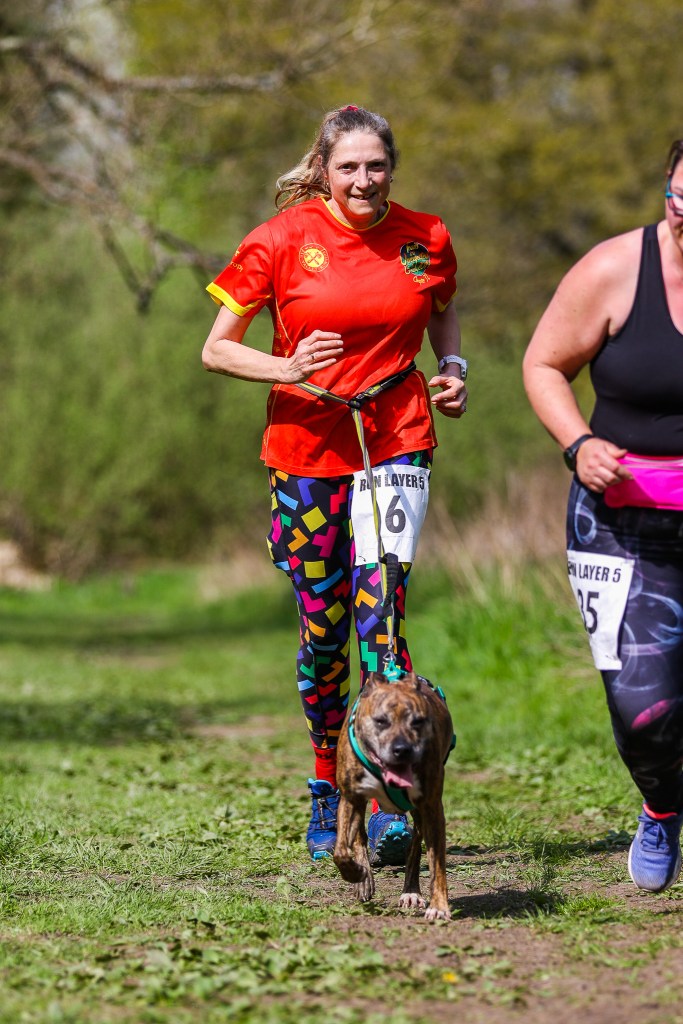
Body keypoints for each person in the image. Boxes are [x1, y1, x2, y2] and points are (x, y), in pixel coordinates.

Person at [202, 105, 467, 865]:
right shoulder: (279, 240)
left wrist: (452, 368)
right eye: (348, 166)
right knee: (324, 631)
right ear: (323, 168)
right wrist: (287, 366)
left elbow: (442, 309)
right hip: (307, 449)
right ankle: (328, 778)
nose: (363, 180)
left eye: (375, 165)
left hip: (395, 439)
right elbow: (217, 349)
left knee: (382, 618)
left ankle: (387, 796)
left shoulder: (426, 236)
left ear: (392, 168)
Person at [523, 139, 683, 893]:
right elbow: (543, 364)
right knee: (643, 708)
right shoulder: (613, 269)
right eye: (681, 199)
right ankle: (661, 806)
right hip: (620, 523)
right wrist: (578, 443)